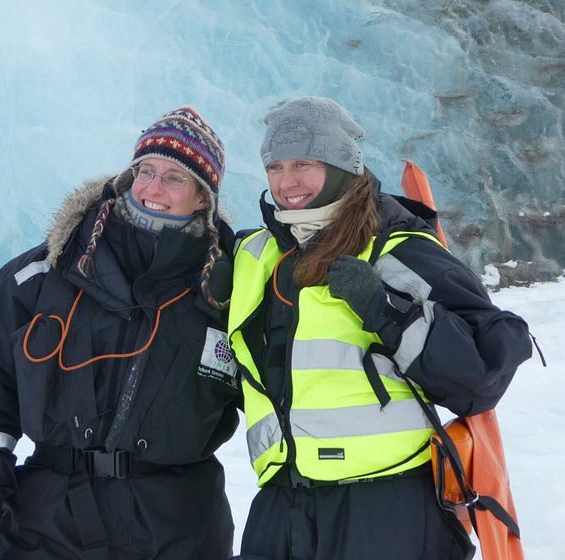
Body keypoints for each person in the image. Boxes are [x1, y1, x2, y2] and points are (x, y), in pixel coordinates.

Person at [227, 97, 533, 560]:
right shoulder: (254, 255)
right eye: (276, 166)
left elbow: (482, 372)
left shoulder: (398, 249)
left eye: (303, 164)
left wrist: (385, 310)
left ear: (339, 167)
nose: (286, 182)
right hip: (283, 508)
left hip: (385, 511)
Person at [0, 107, 240, 560]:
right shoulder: (48, 271)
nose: (152, 189)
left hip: (180, 528)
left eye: (174, 178)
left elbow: (282, 396)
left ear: (204, 198)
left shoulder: (227, 289)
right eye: (145, 171)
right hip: (49, 524)